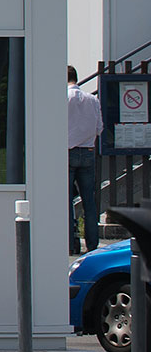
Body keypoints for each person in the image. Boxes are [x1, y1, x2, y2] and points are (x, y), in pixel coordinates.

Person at [68, 66, 104, 253]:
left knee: (65, 200)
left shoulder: (63, 98)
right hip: (88, 151)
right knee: (89, 200)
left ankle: (70, 243)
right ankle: (92, 244)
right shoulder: (93, 99)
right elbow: (99, 127)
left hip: (67, 151)